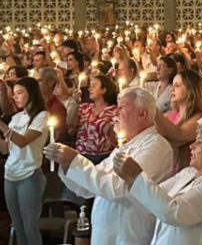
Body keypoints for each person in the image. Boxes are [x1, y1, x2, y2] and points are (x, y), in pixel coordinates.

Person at [45, 88, 173, 245]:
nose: (115, 113)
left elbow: (116, 187)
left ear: (143, 114)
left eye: (122, 107)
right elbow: (88, 188)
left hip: (130, 233)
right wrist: (66, 164)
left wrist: (75, 161)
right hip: (106, 232)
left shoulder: (156, 146)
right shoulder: (123, 147)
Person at [113, 123, 202, 244]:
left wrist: (137, 176)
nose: (191, 146)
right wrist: (130, 178)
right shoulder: (189, 173)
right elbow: (156, 197)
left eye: (199, 142)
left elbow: (175, 213)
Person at [0, 77, 47, 245]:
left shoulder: (42, 116)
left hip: (29, 174)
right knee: (17, 225)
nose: (15, 97)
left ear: (31, 94)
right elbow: (6, 149)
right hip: (10, 174)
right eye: (14, 94)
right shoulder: (16, 118)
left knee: (30, 226)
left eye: (19, 93)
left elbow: (23, 141)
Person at [154, 69, 202, 173]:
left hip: (185, 171)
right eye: (173, 85)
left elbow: (179, 134)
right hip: (167, 167)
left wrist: (153, 109)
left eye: (177, 85)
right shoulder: (170, 115)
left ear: (190, 89)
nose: (172, 89)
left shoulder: (200, 117)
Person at [70, 74, 119, 165]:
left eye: (94, 86)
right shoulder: (84, 107)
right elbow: (71, 125)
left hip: (103, 157)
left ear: (103, 90)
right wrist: (75, 102)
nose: (89, 89)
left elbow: (117, 135)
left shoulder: (114, 111)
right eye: (89, 86)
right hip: (81, 155)